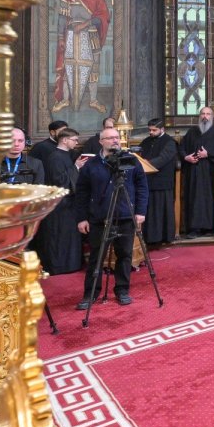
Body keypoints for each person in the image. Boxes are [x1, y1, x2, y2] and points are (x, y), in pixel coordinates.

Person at [73, 126, 149, 309]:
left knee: (124, 255)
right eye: (110, 138)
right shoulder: (91, 165)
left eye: (116, 137)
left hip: (125, 215)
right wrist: (82, 218)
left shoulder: (130, 161)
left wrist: (140, 211)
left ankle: (122, 290)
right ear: (101, 142)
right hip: (99, 218)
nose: (115, 140)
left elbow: (142, 187)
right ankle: (90, 294)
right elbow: (82, 192)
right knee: (96, 258)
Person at [52, 0, 110, 113]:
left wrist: (85, 24)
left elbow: (103, 17)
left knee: (93, 69)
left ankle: (93, 100)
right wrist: (61, 38)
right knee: (68, 67)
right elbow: (62, 19)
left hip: (90, 36)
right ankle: (65, 99)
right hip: (71, 35)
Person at [35, 127, 86, 275]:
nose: (76, 143)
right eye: (74, 140)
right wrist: (76, 167)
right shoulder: (55, 157)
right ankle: (60, 266)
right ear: (64, 140)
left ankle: (72, 264)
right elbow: (59, 181)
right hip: (60, 205)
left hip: (69, 203)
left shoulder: (66, 154)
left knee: (70, 235)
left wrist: (76, 167)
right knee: (60, 236)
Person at [180, 106, 214, 236]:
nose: (205, 116)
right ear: (199, 116)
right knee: (193, 198)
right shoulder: (192, 131)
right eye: (203, 114)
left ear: (212, 117)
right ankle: (193, 229)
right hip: (192, 171)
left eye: (208, 114)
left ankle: (209, 228)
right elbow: (181, 148)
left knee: (208, 199)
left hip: (210, 172)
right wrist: (186, 157)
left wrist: (208, 154)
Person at [138, 118, 179, 244]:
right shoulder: (146, 141)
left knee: (160, 211)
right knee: (149, 212)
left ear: (162, 129)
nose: (151, 132)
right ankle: (148, 237)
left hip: (162, 181)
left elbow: (163, 158)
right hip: (147, 181)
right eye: (149, 130)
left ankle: (162, 237)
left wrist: (145, 164)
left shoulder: (169, 142)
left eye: (154, 130)